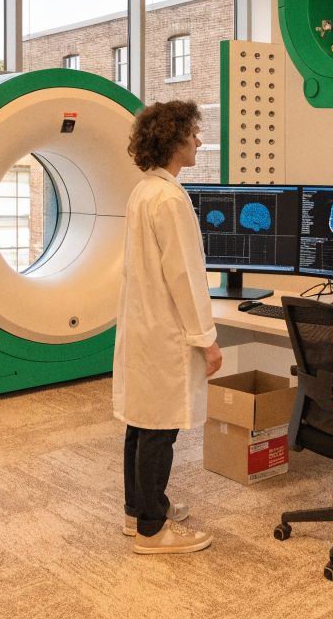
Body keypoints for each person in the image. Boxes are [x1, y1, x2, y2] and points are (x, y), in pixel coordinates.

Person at [113, 99, 222, 555]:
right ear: (174, 139)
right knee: (159, 429)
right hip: (166, 331)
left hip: (144, 325)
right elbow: (185, 276)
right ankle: (153, 532)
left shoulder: (145, 191)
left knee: (141, 423)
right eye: (192, 134)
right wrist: (208, 340)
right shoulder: (171, 199)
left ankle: (138, 510)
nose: (198, 141)